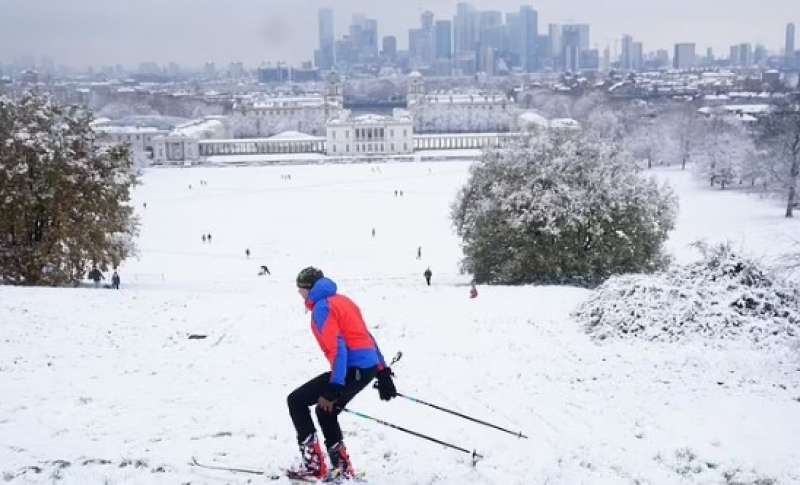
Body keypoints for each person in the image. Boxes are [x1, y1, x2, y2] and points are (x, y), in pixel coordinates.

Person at [286, 267, 397, 481]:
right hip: (365, 367)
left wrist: (334, 387)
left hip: (351, 369)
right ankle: (341, 469)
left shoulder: (322, 308)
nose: (300, 294)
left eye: (300, 290)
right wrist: (382, 372)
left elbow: (337, 349)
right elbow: (367, 337)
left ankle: (315, 466)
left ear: (309, 289)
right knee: (325, 411)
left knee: (296, 401)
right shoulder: (344, 301)